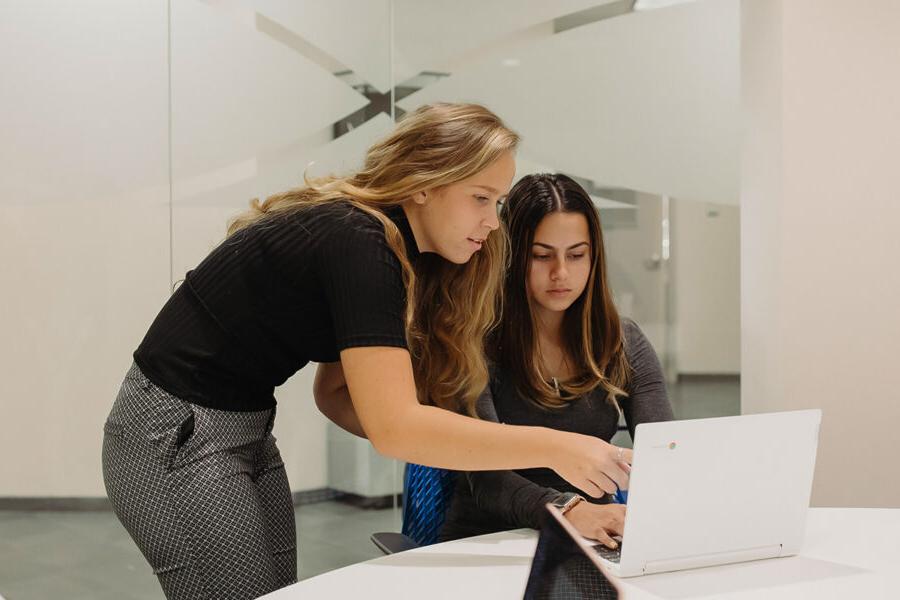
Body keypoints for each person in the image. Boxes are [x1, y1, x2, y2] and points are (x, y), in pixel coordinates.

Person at [101, 104, 633, 600]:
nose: (493, 222)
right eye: (480, 198)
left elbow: (334, 395)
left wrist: (456, 447)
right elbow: (393, 427)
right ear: (424, 184)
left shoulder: (399, 253)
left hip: (244, 426)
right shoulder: (358, 241)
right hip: (173, 430)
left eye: (496, 202)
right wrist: (554, 446)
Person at [440, 173, 674, 549]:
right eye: (541, 255)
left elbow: (665, 454)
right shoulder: (475, 341)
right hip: (489, 542)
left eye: (577, 254)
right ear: (511, 256)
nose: (561, 273)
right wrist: (569, 509)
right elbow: (487, 478)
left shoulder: (622, 342)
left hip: (591, 541)